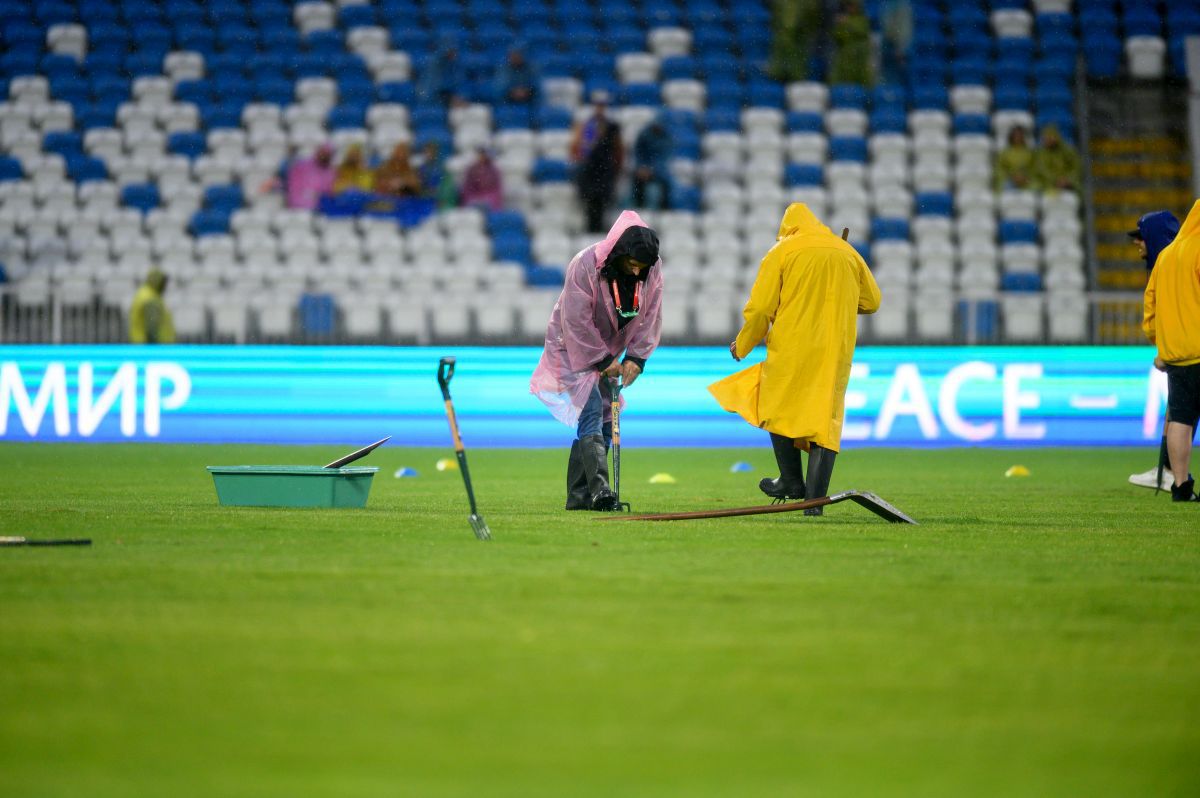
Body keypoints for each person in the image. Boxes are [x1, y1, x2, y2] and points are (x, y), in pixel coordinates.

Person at [708, 203, 880, 513]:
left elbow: (761, 309)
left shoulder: (783, 251)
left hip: (792, 346)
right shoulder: (846, 252)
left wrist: (743, 345)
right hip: (834, 350)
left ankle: (790, 480)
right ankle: (813, 503)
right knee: (824, 419)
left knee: (775, 404)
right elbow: (872, 301)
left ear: (788, 228)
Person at [529, 211, 663, 511]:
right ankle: (602, 492)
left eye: (641, 267)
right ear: (619, 253)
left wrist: (637, 358)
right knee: (591, 412)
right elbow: (576, 321)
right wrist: (602, 360)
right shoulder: (585, 264)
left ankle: (579, 496)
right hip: (570, 346)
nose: (635, 271)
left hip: (609, 353)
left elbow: (650, 314)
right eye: (631, 264)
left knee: (605, 419)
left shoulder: (650, 269)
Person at [1142, 199, 1200, 503]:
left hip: (1177, 355)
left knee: (1180, 418)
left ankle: (1179, 486)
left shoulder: (1165, 256)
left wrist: (1161, 345)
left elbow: (1151, 305)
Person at [1128, 210, 1181, 490]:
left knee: (1179, 411)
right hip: (1181, 349)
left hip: (1186, 351)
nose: (1137, 243)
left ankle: (1170, 472)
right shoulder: (1168, 265)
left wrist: (1171, 350)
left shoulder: (1172, 268)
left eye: (1141, 237)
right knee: (1178, 409)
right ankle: (1168, 471)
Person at [571, 91, 624, 233]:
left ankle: (599, 231)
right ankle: (591, 230)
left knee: (602, 205)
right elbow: (579, 151)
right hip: (590, 173)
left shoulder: (612, 127)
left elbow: (618, 151)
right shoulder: (587, 126)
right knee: (590, 205)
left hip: (604, 172)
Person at [631, 118, 673, 210]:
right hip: (644, 169)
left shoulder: (665, 137)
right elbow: (639, 153)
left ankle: (664, 209)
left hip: (658, 170)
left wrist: (652, 170)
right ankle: (638, 207)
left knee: (666, 183)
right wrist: (642, 167)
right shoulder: (644, 136)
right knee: (637, 180)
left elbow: (664, 157)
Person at [828, 0, 872, 86]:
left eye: (852, 6)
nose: (850, 8)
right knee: (840, 78)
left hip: (859, 55)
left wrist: (847, 22)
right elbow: (837, 35)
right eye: (848, 6)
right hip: (844, 55)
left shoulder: (862, 19)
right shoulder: (842, 20)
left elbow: (862, 31)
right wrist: (839, 25)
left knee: (861, 79)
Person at [129, 269, 175, 344]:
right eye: (163, 283)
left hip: (140, 343)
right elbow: (151, 328)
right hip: (150, 347)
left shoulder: (143, 293)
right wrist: (154, 348)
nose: (165, 286)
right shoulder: (151, 299)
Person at [1031, 123, 1080, 193]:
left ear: (1057, 137)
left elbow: (1076, 168)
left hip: (1068, 185)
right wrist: (1056, 180)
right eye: (1046, 137)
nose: (1049, 139)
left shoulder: (1068, 150)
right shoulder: (1040, 153)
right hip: (1047, 185)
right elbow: (1041, 170)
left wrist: (1068, 179)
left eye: (1051, 136)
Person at [284, 143, 336, 210]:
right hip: (299, 204)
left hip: (321, 207)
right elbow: (293, 188)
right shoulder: (301, 166)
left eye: (327, 154)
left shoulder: (332, 172)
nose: (324, 156)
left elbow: (329, 193)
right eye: (322, 152)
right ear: (318, 152)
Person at [459, 147, 504, 211]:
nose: (481, 157)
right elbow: (467, 189)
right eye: (480, 154)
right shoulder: (471, 170)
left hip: (490, 198)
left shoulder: (493, 170)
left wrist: (488, 200)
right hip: (473, 198)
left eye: (483, 155)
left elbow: (497, 190)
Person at [417, 141, 457, 209]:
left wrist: (438, 194)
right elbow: (419, 185)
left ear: (436, 153)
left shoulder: (442, 168)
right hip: (425, 199)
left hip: (441, 198)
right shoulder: (421, 168)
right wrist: (425, 191)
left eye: (431, 152)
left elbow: (447, 185)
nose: (428, 155)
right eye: (426, 152)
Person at [994, 125, 1035, 192]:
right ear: (1011, 136)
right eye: (1015, 135)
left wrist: (1024, 177)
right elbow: (999, 169)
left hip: (1026, 180)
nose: (1017, 137)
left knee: (1035, 189)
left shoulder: (1030, 153)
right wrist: (1012, 177)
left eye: (1020, 135)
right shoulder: (1005, 153)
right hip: (1009, 180)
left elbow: (1034, 169)